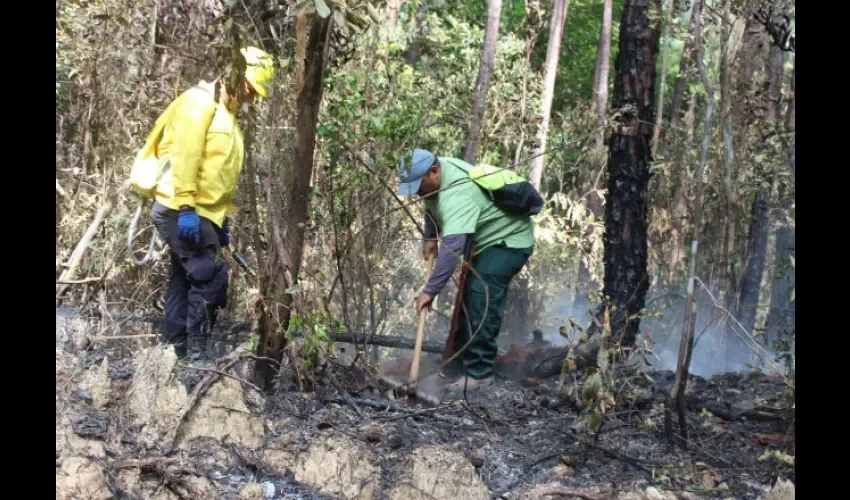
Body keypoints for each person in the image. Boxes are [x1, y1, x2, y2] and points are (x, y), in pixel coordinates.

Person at [147, 46, 276, 361]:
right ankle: (196, 357)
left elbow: (218, 174)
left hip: (202, 213)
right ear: (234, 74)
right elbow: (186, 155)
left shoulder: (227, 117)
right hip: (180, 208)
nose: (251, 96)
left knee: (183, 280)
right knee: (210, 277)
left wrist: (221, 221)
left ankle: (171, 356)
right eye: (250, 87)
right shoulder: (199, 102)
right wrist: (189, 208)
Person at [397, 149, 535, 389]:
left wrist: (430, 291)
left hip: (508, 242)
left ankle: (479, 373)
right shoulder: (438, 175)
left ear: (434, 171)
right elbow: (430, 202)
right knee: (465, 304)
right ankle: (455, 368)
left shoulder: (457, 194)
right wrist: (430, 235)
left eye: (418, 185)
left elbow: (452, 249)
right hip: (484, 241)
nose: (417, 192)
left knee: (481, 301)